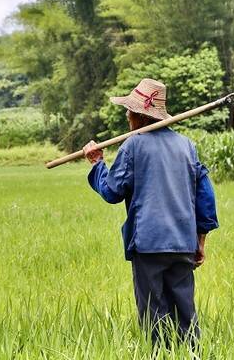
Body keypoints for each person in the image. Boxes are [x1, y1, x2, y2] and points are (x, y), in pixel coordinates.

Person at [82, 78, 218, 345]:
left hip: (149, 244)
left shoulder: (133, 146)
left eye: (129, 110)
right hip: (182, 243)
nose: (126, 115)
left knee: (154, 316)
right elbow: (205, 196)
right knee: (185, 314)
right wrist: (200, 240)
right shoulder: (186, 146)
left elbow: (112, 192)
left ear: (138, 115)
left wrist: (98, 164)